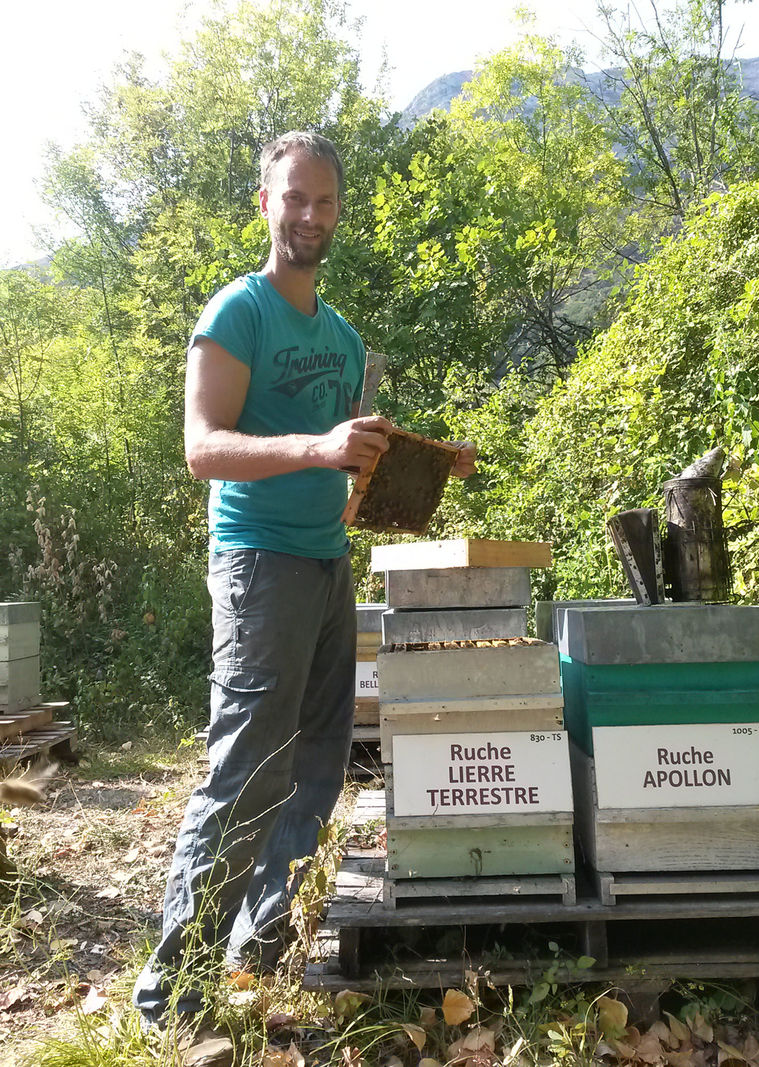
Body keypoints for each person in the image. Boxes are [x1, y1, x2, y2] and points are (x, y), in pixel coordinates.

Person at [133, 131, 476, 1063]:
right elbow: (203, 447)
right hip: (257, 565)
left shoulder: (343, 336)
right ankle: (175, 988)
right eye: (294, 199)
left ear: (339, 211)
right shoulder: (238, 312)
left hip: (327, 567)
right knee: (246, 767)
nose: (310, 215)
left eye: (324, 201)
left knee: (320, 762)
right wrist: (319, 447)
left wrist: (417, 461)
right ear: (265, 203)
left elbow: (350, 454)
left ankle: (256, 946)